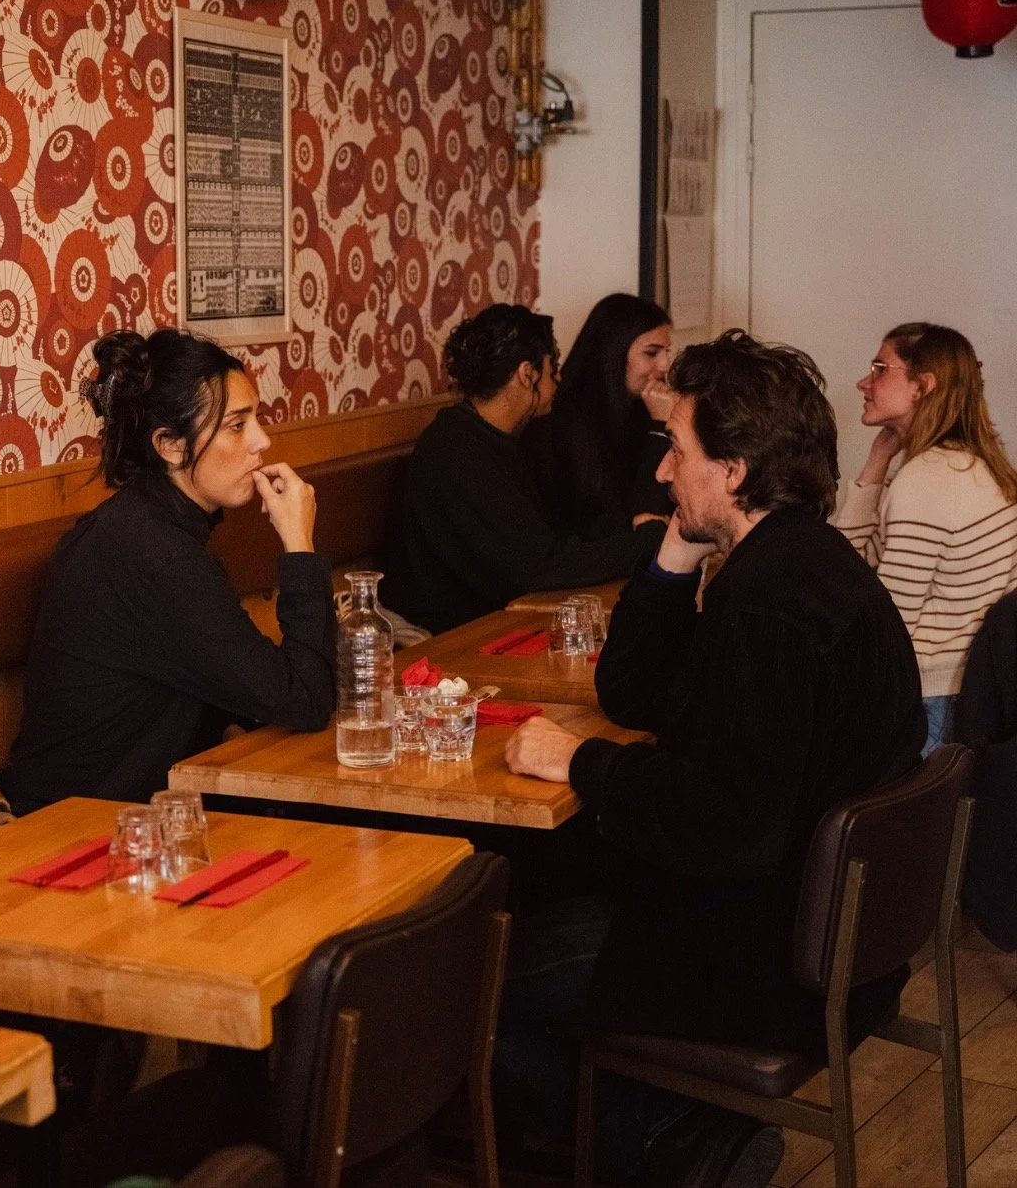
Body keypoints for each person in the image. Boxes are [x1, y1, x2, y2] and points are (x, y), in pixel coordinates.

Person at [498, 330, 924, 1187]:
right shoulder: (805, 561)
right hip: (828, 934)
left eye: (679, 452)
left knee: (473, 981)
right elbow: (636, 694)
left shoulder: (768, 608)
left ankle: (670, 1144)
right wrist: (673, 554)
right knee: (543, 890)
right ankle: (680, 1122)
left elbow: (726, 822)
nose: (663, 471)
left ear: (733, 471)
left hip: (764, 955)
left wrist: (581, 764)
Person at [0, 329, 336, 814]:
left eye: (255, 419)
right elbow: (305, 700)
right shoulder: (153, 556)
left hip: (129, 814)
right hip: (74, 826)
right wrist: (300, 544)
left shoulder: (144, 528)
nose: (262, 440)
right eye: (237, 425)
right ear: (170, 446)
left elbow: (256, 692)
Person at [381, 304, 665, 635]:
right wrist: (644, 543)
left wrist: (627, 528)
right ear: (526, 374)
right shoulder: (456, 450)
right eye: (552, 368)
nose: (558, 380)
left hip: (497, 616)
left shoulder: (496, 438)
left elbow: (551, 537)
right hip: (452, 634)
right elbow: (538, 568)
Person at [833, 322, 1017, 755]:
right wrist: (879, 457)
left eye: (880, 369)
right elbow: (850, 564)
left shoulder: (927, 481)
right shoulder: (971, 465)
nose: (864, 382)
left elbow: (885, 623)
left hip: (930, 701)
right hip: (968, 692)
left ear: (923, 386)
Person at [521, 293, 676, 533]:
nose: (665, 365)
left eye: (667, 352)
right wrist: (659, 428)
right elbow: (638, 519)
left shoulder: (640, 407)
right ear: (614, 351)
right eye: (651, 353)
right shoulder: (571, 417)